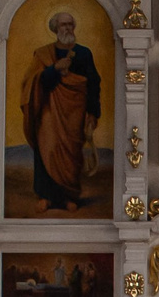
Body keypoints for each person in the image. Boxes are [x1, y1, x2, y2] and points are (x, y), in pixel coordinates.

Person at [24, 11, 102, 212]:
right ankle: (46, 196)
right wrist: (54, 69)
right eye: (63, 25)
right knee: (47, 149)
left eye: (70, 25)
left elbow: (93, 83)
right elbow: (32, 82)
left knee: (72, 152)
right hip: (49, 110)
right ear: (55, 29)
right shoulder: (43, 54)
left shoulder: (84, 54)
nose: (67, 28)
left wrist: (93, 113)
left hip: (75, 112)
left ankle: (69, 196)